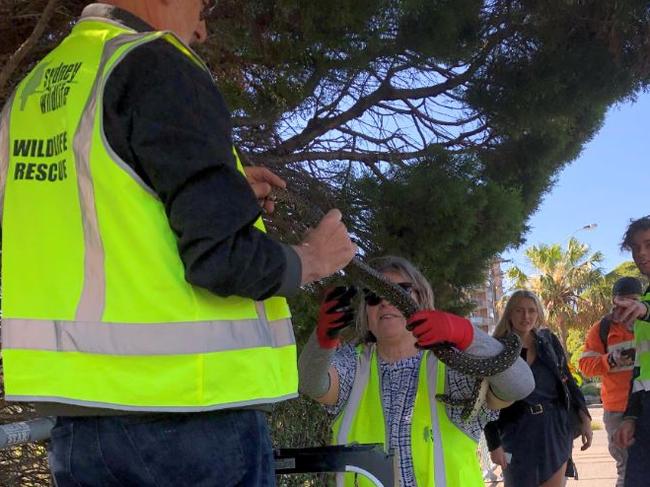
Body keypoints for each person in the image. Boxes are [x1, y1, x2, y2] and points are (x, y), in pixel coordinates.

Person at [0, 1, 357, 485]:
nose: (203, 30)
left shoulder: (29, 94)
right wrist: (311, 259)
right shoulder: (154, 63)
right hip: (189, 418)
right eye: (202, 6)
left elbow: (100, 214)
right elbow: (223, 260)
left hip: (81, 430)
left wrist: (217, 192)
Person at [298, 256, 535, 486]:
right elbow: (312, 383)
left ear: (421, 300)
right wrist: (322, 339)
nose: (385, 301)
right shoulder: (353, 365)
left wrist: (466, 333)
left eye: (400, 290)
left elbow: (521, 385)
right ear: (365, 313)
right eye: (373, 296)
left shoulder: (453, 367)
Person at [484, 290, 593, 487]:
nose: (526, 317)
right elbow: (487, 401)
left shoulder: (548, 341)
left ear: (538, 314)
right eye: (519, 310)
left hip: (554, 427)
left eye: (531, 311)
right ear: (510, 313)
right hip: (516, 431)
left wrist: (584, 418)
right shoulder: (497, 348)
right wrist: (494, 445)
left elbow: (567, 381)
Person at [579, 276, 642, 487]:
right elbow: (585, 366)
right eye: (622, 302)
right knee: (626, 470)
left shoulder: (647, 323)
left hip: (646, 406)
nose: (627, 308)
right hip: (617, 411)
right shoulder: (602, 329)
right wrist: (610, 360)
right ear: (614, 302)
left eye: (632, 301)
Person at [612, 216, 650, 487]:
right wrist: (631, 416)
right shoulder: (645, 299)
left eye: (648, 245)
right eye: (636, 248)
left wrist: (645, 311)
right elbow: (641, 368)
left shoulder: (645, 306)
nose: (641, 254)